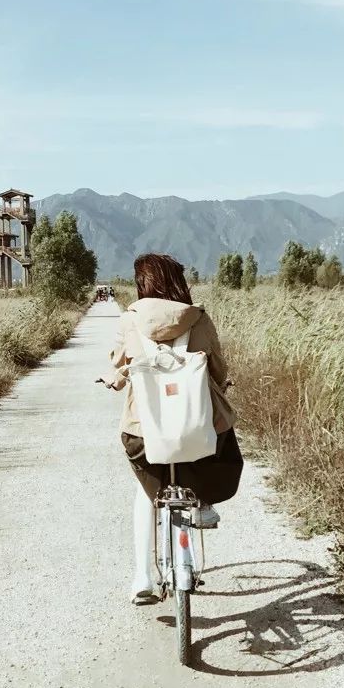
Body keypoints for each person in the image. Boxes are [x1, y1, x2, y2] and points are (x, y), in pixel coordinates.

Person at [99, 253, 243, 602]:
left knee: (145, 491)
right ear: (179, 282)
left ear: (142, 284)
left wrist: (115, 379)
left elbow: (118, 363)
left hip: (144, 433)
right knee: (215, 444)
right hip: (199, 430)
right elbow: (218, 368)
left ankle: (143, 579)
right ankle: (204, 502)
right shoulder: (199, 319)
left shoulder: (129, 321)